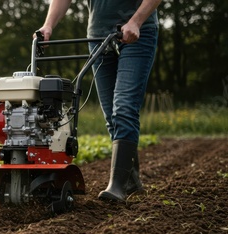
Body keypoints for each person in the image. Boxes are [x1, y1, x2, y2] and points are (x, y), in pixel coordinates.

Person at [36, 0, 162, 202]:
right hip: (98, 36)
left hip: (137, 32)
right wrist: (48, 24)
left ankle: (117, 186)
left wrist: (136, 21)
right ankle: (131, 181)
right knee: (111, 113)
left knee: (124, 107)